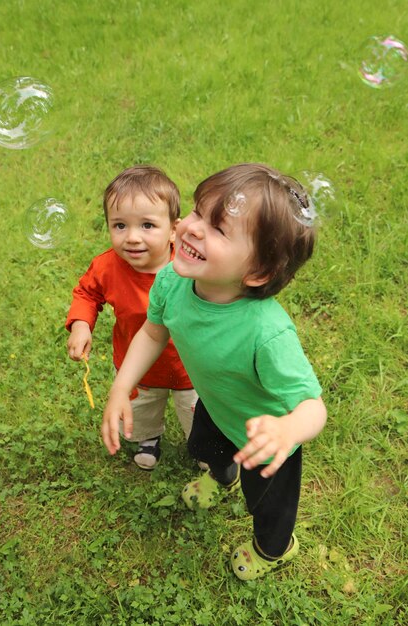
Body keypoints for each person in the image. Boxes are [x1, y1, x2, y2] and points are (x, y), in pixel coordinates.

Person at [101, 163, 327, 581]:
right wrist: (121, 385)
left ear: (257, 272)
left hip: (267, 440)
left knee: (270, 508)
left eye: (219, 229)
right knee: (207, 452)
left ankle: (273, 549)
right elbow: (153, 333)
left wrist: (287, 432)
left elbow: (313, 407)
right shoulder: (171, 280)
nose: (191, 228)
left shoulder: (267, 332)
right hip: (217, 407)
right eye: (198, 213)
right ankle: (222, 480)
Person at [66, 165, 197, 470]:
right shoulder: (107, 267)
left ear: (174, 229)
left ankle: (203, 444)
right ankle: (148, 437)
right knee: (141, 408)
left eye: (148, 225)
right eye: (120, 225)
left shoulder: (191, 266)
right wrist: (82, 324)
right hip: (136, 365)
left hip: (190, 365)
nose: (132, 237)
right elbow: (87, 293)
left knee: (196, 412)